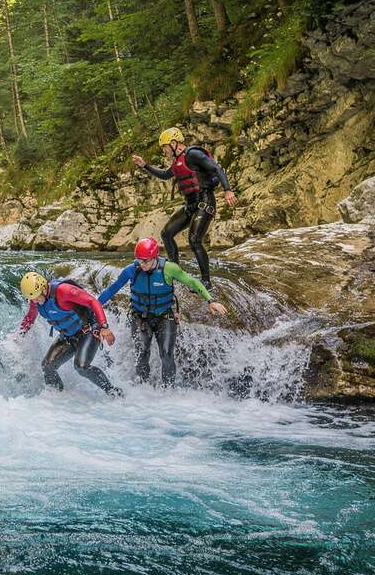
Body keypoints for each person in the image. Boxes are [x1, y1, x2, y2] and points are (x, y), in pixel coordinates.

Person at [98, 238, 228, 385]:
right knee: (142, 353)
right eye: (139, 260)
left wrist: (210, 301)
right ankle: (142, 387)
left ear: (155, 257)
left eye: (145, 261)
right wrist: (94, 306)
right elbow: (111, 290)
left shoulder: (169, 269)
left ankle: (168, 389)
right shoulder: (131, 270)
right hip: (140, 317)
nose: (142, 264)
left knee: (166, 354)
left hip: (164, 316)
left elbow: (192, 282)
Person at [133, 127, 236, 292]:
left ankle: (206, 282)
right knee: (166, 233)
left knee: (194, 240)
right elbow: (165, 175)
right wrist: (145, 165)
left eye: (165, 147)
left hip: (205, 201)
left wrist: (227, 190)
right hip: (190, 205)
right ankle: (174, 270)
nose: (164, 150)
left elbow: (216, 168)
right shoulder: (176, 162)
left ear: (174, 143)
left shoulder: (193, 154)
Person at [17, 272, 121, 397]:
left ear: (44, 288)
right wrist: (20, 334)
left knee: (81, 366)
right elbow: (30, 317)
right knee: (47, 366)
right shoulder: (36, 299)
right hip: (68, 336)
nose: (35, 301)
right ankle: (57, 397)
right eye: (32, 299)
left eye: (36, 297)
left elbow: (93, 301)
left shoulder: (63, 291)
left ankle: (113, 392)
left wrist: (104, 327)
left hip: (88, 330)